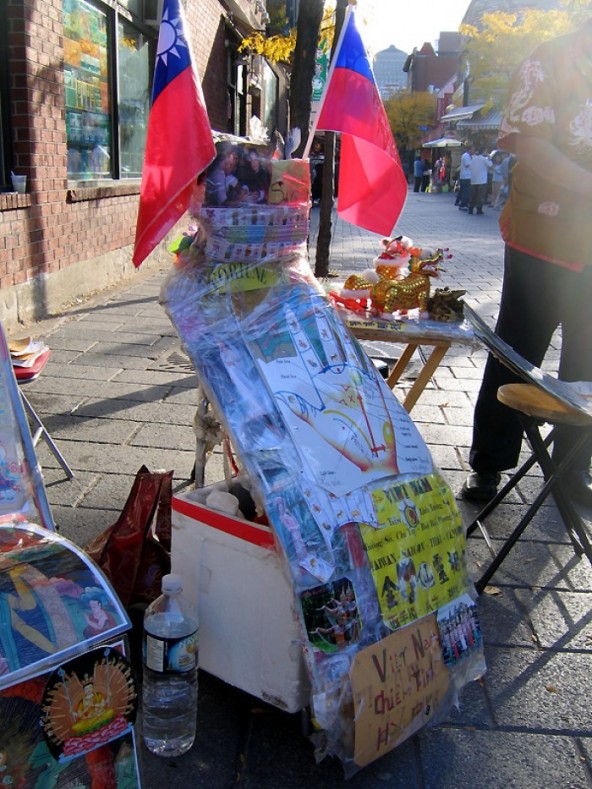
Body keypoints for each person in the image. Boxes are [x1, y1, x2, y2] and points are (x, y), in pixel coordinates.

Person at [461, 20, 592, 506]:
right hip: (546, 230)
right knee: (518, 347)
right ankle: (489, 463)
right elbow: (532, 146)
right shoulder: (549, 60)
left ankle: (572, 469)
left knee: (589, 358)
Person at [468, 147, 491, 214]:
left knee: (473, 195)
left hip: (474, 179)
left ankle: (471, 208)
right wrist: (489, 156)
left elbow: (470, 167)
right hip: (482, 180)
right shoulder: (484, 159)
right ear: (484, 151)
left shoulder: (473, 158)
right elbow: (490, 164)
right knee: (481, 195)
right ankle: (479, 209)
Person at [456, 144, 473, 210]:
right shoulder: (466, 156)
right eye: (472, 150)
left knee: (463, 191)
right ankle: (463, 204)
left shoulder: (467, 156)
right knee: (466, 191)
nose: (473, 151)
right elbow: (467, 165)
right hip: (466, 176)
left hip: (465, 176)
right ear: (469, 149)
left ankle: (461, 203)